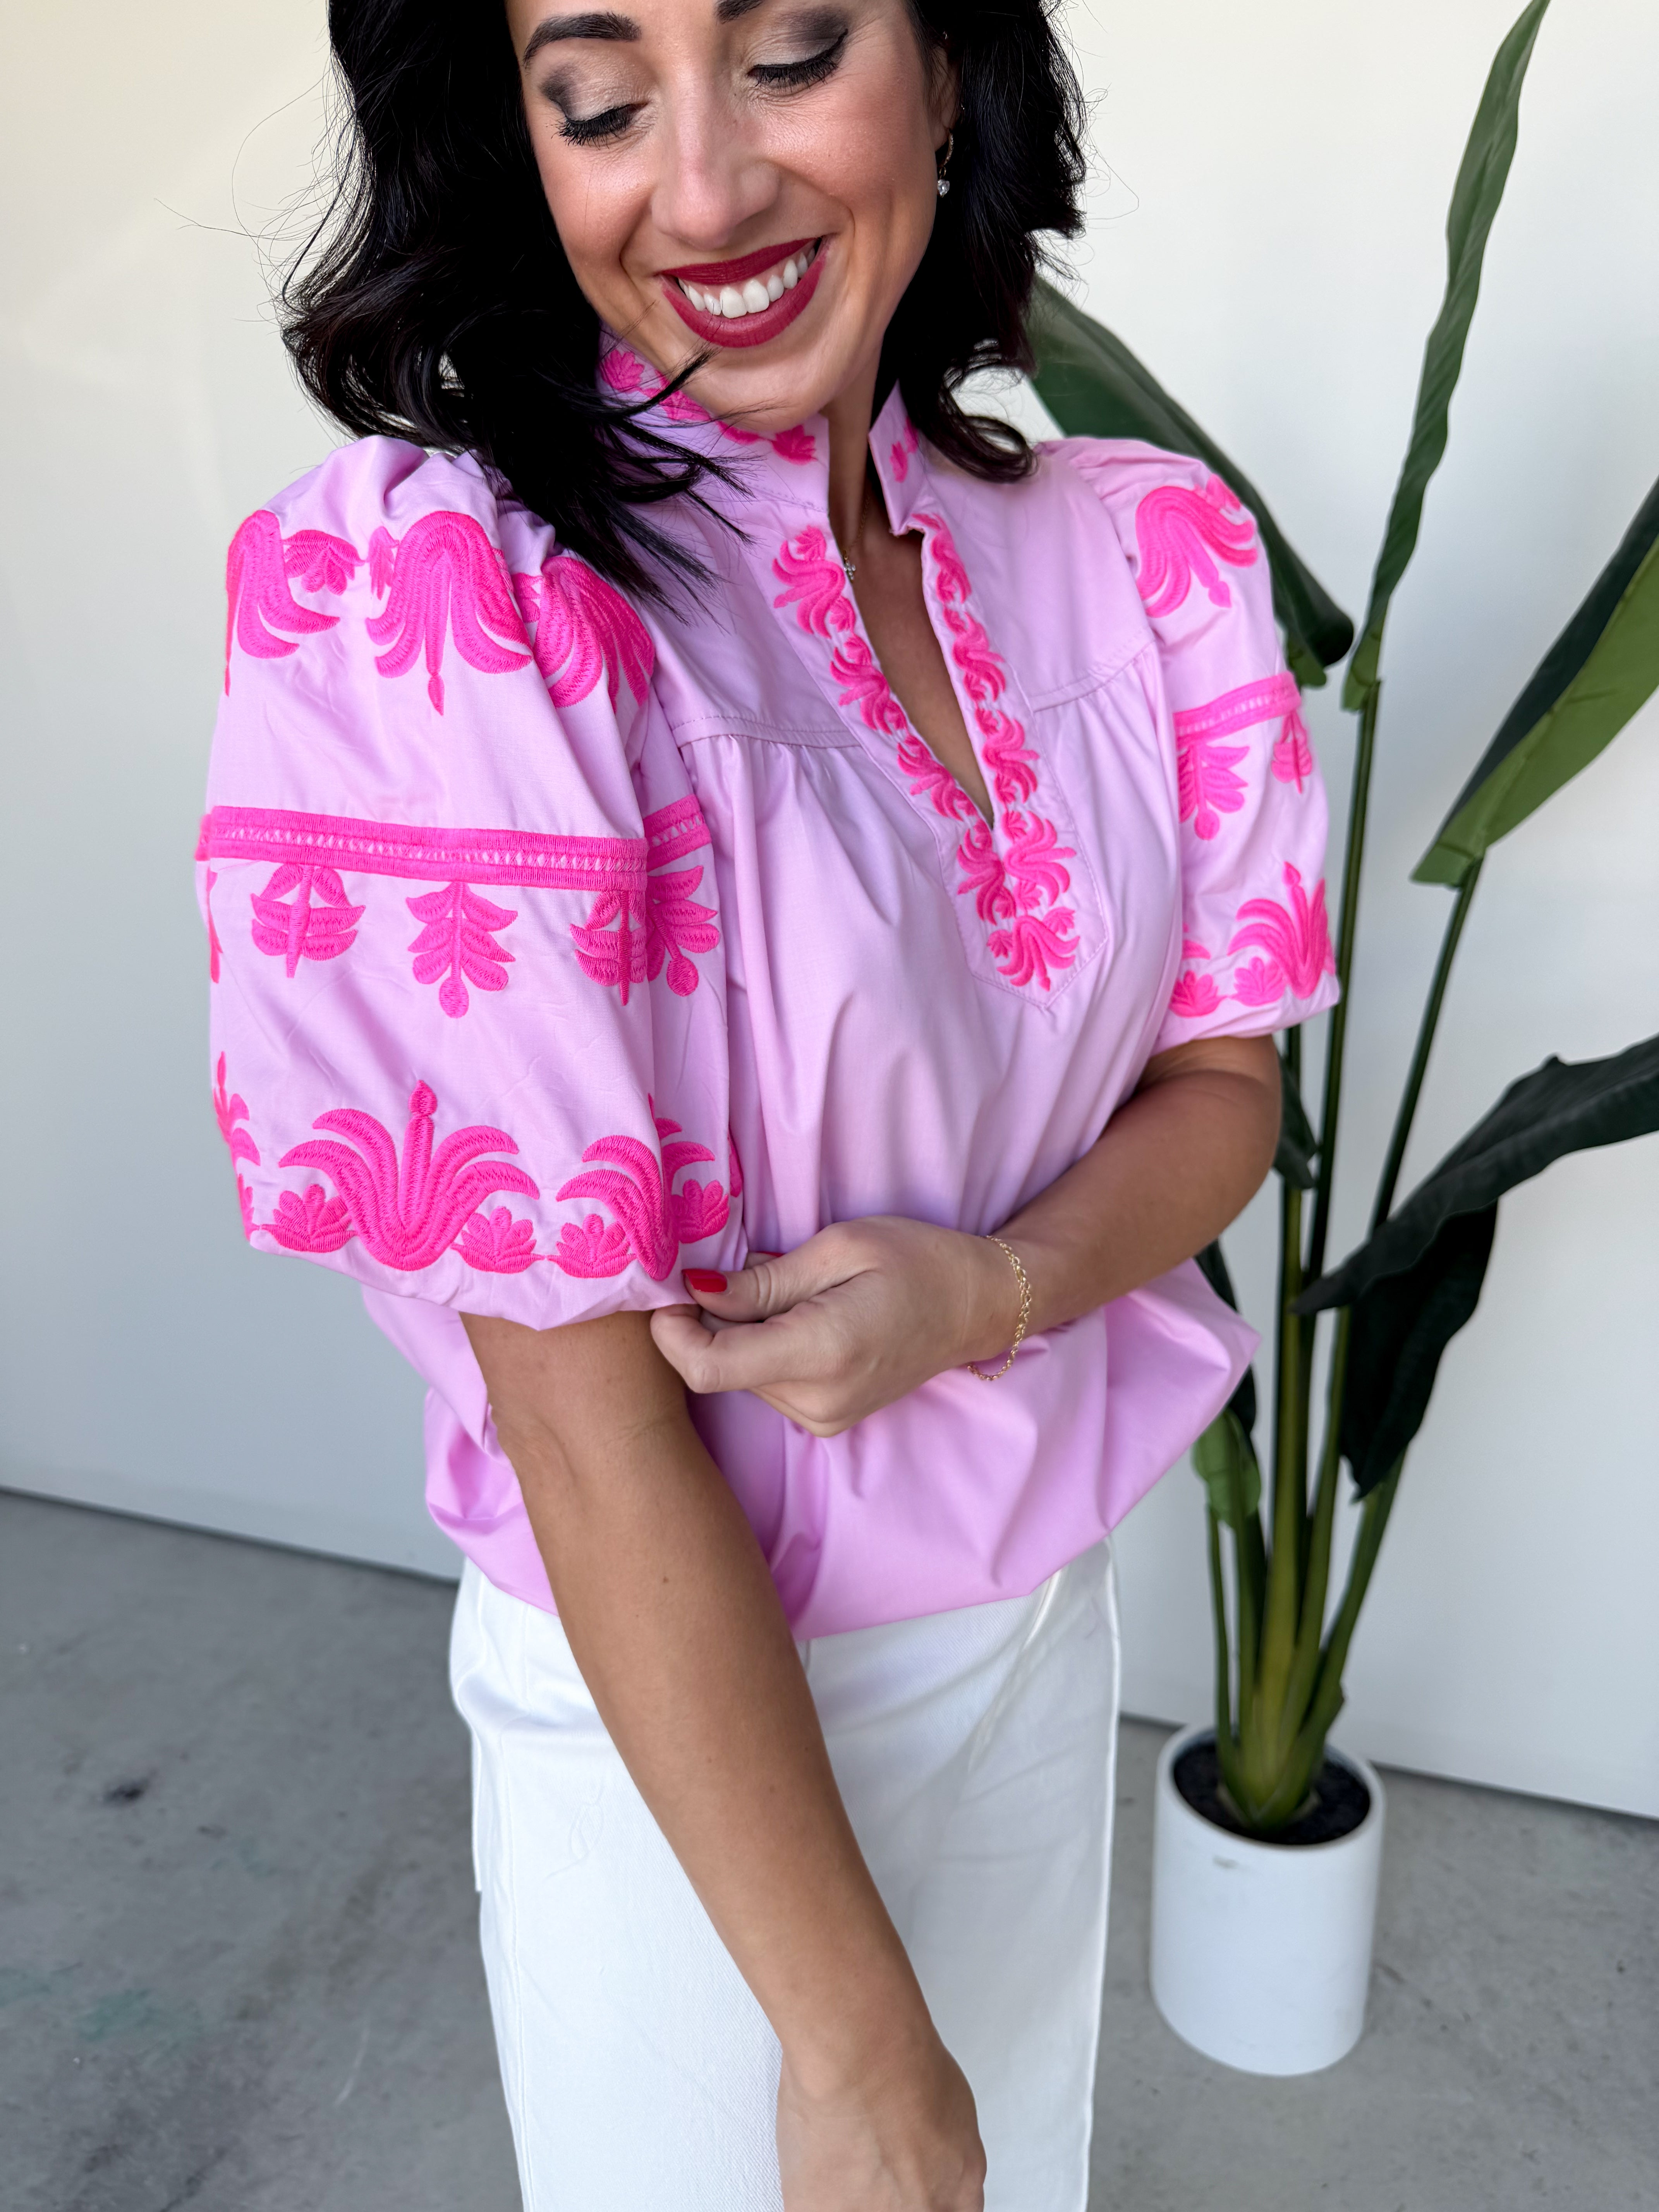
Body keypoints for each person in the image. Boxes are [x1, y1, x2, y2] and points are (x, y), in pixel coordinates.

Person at [198, 0, 1337, 2202]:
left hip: (1039, 1640)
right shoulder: (459, 599)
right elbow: (581, 1415)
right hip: (684, 1746)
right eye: (598, 101)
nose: (704, 191)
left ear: (951, 64)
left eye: (794, 52)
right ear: (519, 149)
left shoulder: (1142, 557)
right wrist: (857, 2048)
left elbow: (1219, 1090)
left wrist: (994, 1290)